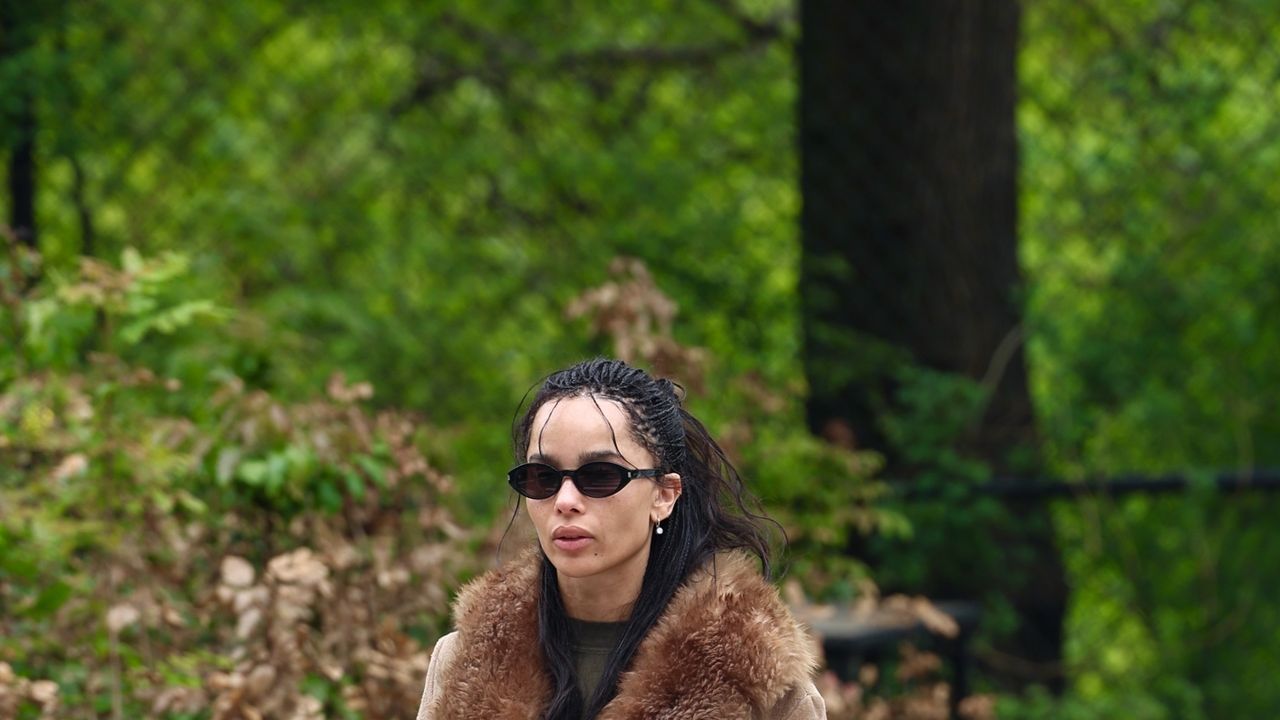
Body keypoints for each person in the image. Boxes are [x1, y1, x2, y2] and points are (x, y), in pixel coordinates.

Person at [416, 358, 826, 719]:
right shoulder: (462, 663)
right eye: (543, 477)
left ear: (664, 494)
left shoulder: (760, 684)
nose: (566, 501)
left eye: (600, 476)